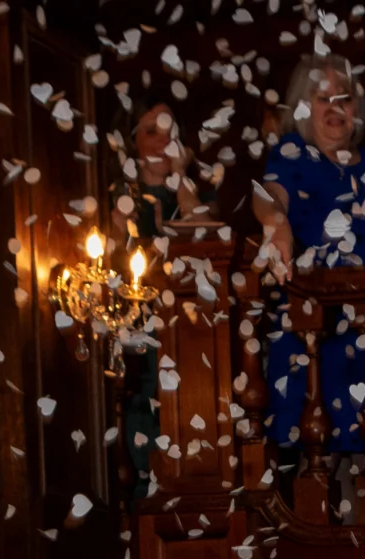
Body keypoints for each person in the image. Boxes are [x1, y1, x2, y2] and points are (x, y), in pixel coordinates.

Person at [256, 53, 365, 517]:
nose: (335, 108)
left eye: (344, 98)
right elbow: (266, 194)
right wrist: (276, 223)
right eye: (322, 97)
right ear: (302, 107)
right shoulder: (291, 154)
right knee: (320, 462)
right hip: (319, 337)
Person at [123, 103, 206, 498]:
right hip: (139, 320)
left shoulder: (187, 189)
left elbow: (203, 236)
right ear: (132, 141)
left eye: (170, 132)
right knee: (148, 396)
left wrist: (180, 175)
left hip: (188, 321)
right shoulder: (122, 196)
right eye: (151, 131)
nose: (162, 141)